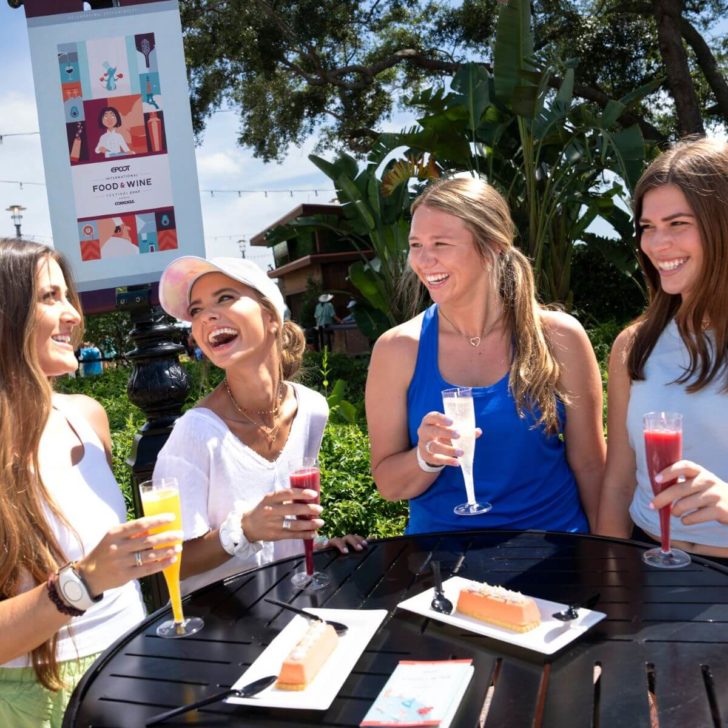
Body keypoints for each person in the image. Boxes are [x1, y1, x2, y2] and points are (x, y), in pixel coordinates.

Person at [0, 239, 179, 727]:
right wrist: (82, 582)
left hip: (134, 666)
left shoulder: (88, 416)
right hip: (38, 700)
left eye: (68, 296)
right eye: (48, 297)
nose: (73, 313)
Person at [365, 177, 605, 535]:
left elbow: (589, 465)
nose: (424, 260)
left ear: (493, 246)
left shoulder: (559, 337)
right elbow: (388, 485)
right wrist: (424, 458)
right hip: (442, 562)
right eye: (416, 244)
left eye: (441, 244)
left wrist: (610, 562)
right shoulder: (396, 349)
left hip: (555, 557)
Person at [154, 257, 366, 593]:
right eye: (196, 311)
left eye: (224, 298)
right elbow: (172, 562)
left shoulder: (311, 409)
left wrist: (321, 546)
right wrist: (245, 528)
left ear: (271, 317)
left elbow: (291, 520)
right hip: (227, 627)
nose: (207, 315)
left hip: (294, 608)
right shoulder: (194, 434)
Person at [597, 137, 728, 561]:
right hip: (647, 562)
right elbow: (618, 480)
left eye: (677, 224)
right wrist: (609, 577)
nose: (656, 244)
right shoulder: (634, 345)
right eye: (647, 228)